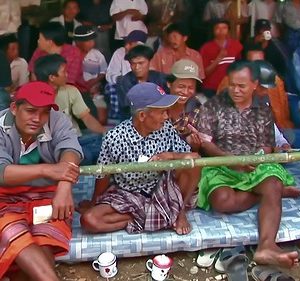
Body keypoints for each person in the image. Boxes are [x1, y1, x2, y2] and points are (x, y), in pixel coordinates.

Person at [196, 61, 300, 268]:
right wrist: (232, 161)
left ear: (254, 84)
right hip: (222, 163)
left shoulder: (263, 109)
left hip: (254, 165)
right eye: (232, 85)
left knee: (271, 182)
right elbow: (205, 144)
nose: (235, 90)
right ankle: (270, 194)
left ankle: (266, 246)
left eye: (241, 86)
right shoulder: (213, 106)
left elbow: (267, 146)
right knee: (223, 202)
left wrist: (256, 158)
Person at [80, 82, 200, 235]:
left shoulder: (166, 127)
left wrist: (170, 156)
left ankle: (179, 212)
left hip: (163, 191)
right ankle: (160, 218)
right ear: (142, 115)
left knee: (194, 163)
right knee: (89, 220)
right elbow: (103, 174)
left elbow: (191, 156)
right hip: (128, 194)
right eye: (162, 112)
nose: (166, 116)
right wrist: (94, 203)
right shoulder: (115, 137)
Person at [0, 81, 82, 280]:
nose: (38, 118)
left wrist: (64, 186)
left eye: (44, 112)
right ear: (14, 108)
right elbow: (2, 173)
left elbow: (71, 150)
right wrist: (49, 170)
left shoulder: (57, 119)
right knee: (14, 234)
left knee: (45, 238)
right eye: (30, 111)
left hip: (47, 196)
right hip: (5, 200)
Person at [34, 54, 106, 165]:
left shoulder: (70, 90)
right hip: (52, 144)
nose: (67, 75)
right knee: (86, 155)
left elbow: (87, 118)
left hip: (77, 138)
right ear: (52, 77)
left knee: (107, 144)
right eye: (63, 72)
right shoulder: (34, 96)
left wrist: (106, 134)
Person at [116, 45, 168, 121]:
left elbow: (167, 102)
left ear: (149, 62)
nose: (137, 67)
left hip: (159, 119)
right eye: (133, 63)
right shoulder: (123, 81)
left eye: (141, 63)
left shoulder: (161, 78)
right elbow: (128, 108)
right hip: (132, 121)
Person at [28, 22, 85, 92]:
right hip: (42, 91)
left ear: (49, 42)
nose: (38, 41)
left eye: (40, 38)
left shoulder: (73, 53)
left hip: (72, 92)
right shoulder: (38, 51)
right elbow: (34, 77)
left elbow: (68, 82)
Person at [105, 30, 147, 119]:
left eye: (130, 44)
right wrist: (122, 79)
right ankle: (120, 116)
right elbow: (109, 74)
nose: (126, 46)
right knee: (112, 86)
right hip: (122, 86)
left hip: (141, 87)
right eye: (126, 43)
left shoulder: (148, 55)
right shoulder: (119, 52)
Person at [166, 59, 204, 151]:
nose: (185, 92)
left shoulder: (198, 109)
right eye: (181, 86)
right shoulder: (158, 108)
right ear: (169, 84)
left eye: (190, 88)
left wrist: (196, 146)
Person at [74, 25, 108, 125]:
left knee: (101, 120)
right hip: (77, 93)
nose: (92, 43)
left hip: (94, 91)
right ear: (78, 42)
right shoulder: (71, 55)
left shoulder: (97, 55)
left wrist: (93, 83)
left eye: (93, 40)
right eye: (88, 41)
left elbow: (103, 72)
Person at [200, 19, 243, 97]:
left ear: (228, 30)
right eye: (217, 28)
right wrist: (218, 59)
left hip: (230, 87)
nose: (221, 30)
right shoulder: (206, 48)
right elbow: (204, 73)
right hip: (210, 88)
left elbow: (240, 68)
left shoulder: (236, 45)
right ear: (213, 30)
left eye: (224, 28)